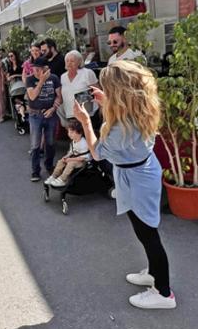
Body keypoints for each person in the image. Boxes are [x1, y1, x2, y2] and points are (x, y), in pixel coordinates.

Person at [74, 60, 175, 310]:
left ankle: (163, 293)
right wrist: (105, 102)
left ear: (120, 92)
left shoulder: (122, 127)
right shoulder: (140, 108)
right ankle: (153, 272)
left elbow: (97, 153)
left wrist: (86, 122)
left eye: (108, 88)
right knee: (145, 232)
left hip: (137, 179)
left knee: (148, 234)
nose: (103, 90)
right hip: (141, 173)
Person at [26, 56, 62, 182]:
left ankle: (49, 165)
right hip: (35, 115)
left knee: (50, 142)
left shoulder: (54, 78)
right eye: (34, 69)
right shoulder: (30, 79)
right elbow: (32, 96)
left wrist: (53, 109)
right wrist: (41, 81)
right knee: (35, 144)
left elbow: (59, 97)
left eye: (38, 69)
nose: (35, 71)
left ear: (46, 69)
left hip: (50, 114)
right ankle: (35, 171)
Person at [44, 119, 91, 188]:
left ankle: (63, 179)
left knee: (71, 163)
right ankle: (54, 176)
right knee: (61, 161)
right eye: (68, 132)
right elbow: (71, 152)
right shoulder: (73, 142)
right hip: (75, 158)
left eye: (72, 132)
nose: (69, 134)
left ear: (80, 133)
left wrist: (70, 160)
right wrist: (66, 157)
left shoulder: (84, 144)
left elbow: (84, 157)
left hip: (83, 162)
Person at [59, 50, 99, 121]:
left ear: (79, 62)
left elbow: (97, 92)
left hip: (87, 114)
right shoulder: (63, 77)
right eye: (67, 61)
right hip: (70, 115)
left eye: (72, 61)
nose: (69, 63)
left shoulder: (87, 73)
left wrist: (81, 97)